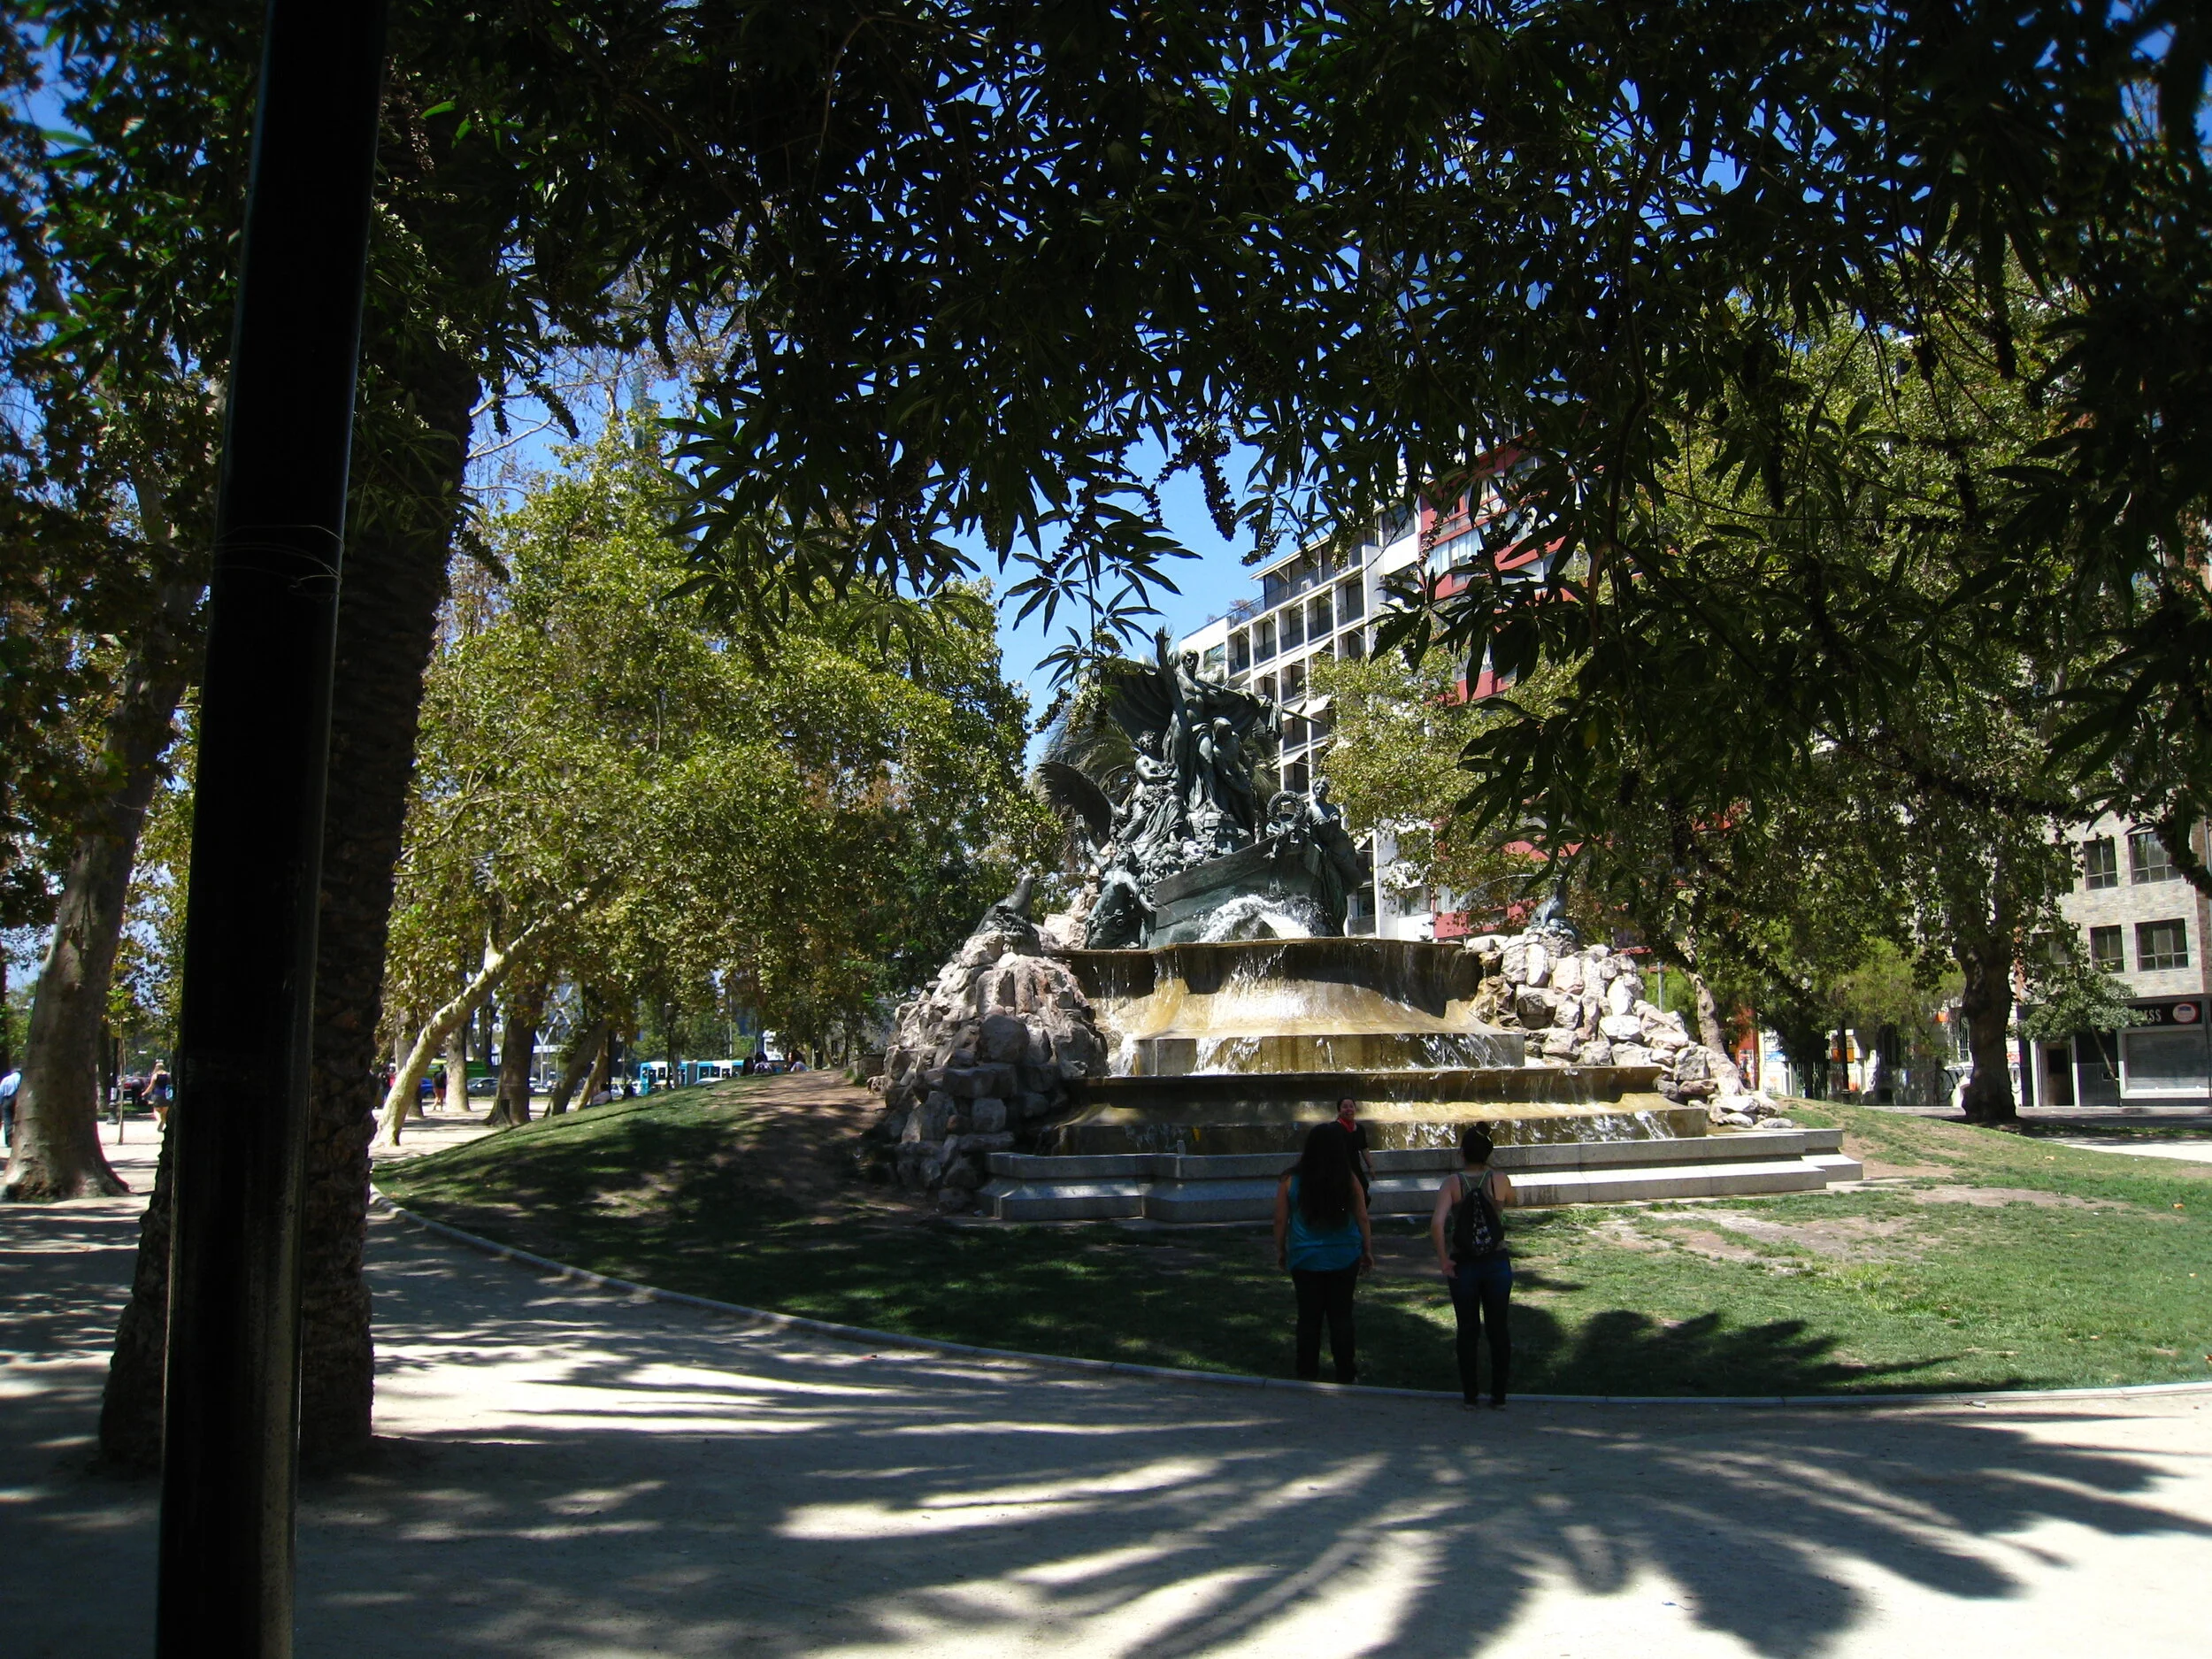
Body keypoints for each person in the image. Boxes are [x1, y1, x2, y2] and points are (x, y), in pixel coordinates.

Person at [1273, 1121, 1374, 1384]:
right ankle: (1346, 1371)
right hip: (1344, 1257)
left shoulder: (1291, 1180)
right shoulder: (1349, 1179)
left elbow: (1280, 1220)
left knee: (1308, 1317)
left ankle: (1306, 1370)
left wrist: (1281, 1250)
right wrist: (1367, 1250)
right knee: (1341, 1316)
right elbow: (1362, 1218)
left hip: (1304, 1258)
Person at [1432, 1125, 1517, 1409]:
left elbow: (1437, 1223)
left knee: (1467, 1329)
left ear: (1462, 1152)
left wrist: (1444, 1260)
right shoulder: (1500, 1179)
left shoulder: (1452, 1183)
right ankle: (1499, 1395)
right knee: (1498, 1328)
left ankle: (1470, 1395)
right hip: (1496, 1261)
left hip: (1463, 1262)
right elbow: (1512, 1202)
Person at [1333, 1097, 1375, 1196]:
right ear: (1339, 1111)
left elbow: (1364, 1148)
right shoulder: (1333, 1128)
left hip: (1355, 1168)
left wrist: (1371, 1166)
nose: (1349, 1110)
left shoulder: (1359, 1129)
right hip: (1338, 1169)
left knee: (1363, 1192)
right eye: (1345, 1107)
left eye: (1351, 1106)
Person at [0, 1065, 19, 1150]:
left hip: (7, 1099)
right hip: (18, 1099)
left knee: (7, 1120)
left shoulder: (6, 1079)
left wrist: (1, 1103)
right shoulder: (22, 1079)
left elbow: (1, 1091)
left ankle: (9, 1141)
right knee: (19, 1120)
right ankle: (18, 1140)